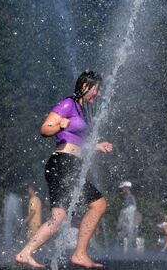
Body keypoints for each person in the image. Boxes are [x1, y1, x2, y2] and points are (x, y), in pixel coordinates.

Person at [15, 71, 113, 269]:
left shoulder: (82, 109)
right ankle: (80, 254)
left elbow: (76, 141)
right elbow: (45, 128)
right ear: (85, 86)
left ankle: (25, 253)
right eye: (97, 89)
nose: (99, 93)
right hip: (62, 164)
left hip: (68, 164)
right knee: (98, 204)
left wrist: (96, 146)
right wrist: (60, 125)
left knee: (58, 217)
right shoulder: (68, 103)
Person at [117, 180, 138, 252]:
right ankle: (121, 252)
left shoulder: (131, 198)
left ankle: (130, 252)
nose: (122, 190)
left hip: (129, 223)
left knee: (130, 233)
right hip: (126, 223)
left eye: (123, 188)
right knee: (121, 235)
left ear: (127, 188)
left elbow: (131, 212)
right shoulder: (126, 198)